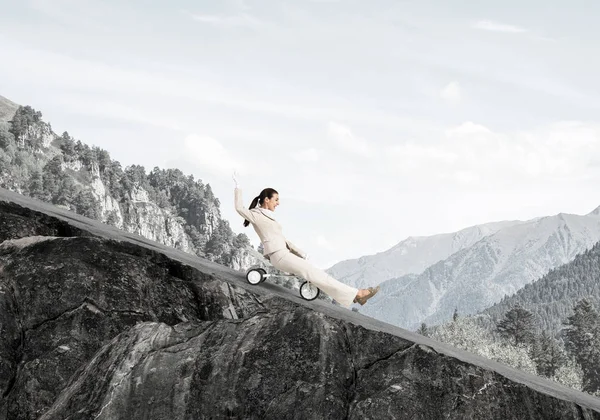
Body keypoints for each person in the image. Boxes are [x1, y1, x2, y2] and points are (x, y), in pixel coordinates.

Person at [232, 171, 380, 308]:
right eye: (276, 200)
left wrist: (301, 253)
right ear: (266, 200)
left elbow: (284, 240)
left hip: (284, 254)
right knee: (313, 273)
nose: (278, 203)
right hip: (279, 256)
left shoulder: (270, 218)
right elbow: (239, 208)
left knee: (316, 273)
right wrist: (238, 187)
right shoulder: (256, 215)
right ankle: (358, 294)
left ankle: (353, 296)